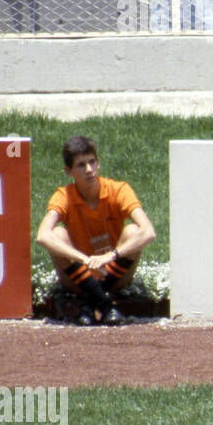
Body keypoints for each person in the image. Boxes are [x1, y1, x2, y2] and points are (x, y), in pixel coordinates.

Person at [35, 136, 156, 326]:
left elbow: (148, 232)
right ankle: (106, 305)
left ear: (98, 164)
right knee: (56, 235)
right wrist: (85, 260)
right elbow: (42, 236)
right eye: (81, 165)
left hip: (114, 273)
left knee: (134, 230)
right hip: (77, 276)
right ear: (69, 171)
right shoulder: (63, 196)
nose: (89, 170)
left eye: (92, 162)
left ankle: (91, 304)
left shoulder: (119, 190)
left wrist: (110, 256)